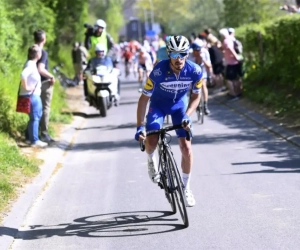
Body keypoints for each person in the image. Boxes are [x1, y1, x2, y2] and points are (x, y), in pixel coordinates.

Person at [135, 35, 203, 207]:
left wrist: (188, 115)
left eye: (182, 54)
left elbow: (196, 96)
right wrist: (139, 126)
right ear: (168, 54)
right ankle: (151, 160)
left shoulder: (195, 71)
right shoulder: (158, 71)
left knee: (186, 148)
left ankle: (186, 187)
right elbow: (143, 99)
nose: (178, 59)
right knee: (151, 140)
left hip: (179, 107)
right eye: (174, 55)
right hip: (158, 106)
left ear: (187, 54)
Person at [21, 45, 48, 148]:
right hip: (32, 95)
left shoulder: (31, 63)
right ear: (38, 54)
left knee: (35, 117)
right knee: (35, 118)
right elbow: (23, 75)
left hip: (32, 95)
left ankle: (30, 138)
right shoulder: (31, 65)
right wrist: (27, 87)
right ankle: (34, 140)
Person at [34, 30, 56, 143]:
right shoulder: (43, 52)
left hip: (34, 84)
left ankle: (32, 132)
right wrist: (51, 76)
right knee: (45, 108)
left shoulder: (32, 50)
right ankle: (44, 133)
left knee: (35, 109)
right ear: (43, 39)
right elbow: (41, 69)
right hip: (44, 83)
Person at [219, 28, 242, 101]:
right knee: (236, 78)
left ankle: (233, 94)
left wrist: (235, 56)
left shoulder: (226, 41)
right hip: (236, 61)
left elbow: (230, 49)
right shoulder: (232, 39)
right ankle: (238, 92)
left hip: (231, 62)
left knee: (229, 79)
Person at [191, 39, 212, 115]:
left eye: (198, 51)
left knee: (203, 85)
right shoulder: (190, 54)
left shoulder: (205, 52)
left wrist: (202, 59)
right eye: (195, 51)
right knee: (192, 86)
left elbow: (209, 66)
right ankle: (193, 101)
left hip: (202, 72)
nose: (196, 52)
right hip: (193, 72)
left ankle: (205, 105)